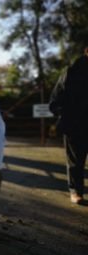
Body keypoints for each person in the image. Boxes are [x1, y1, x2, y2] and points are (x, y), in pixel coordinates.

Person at [49, 47, 88, 205]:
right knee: (75, 162)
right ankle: (76, 191)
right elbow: (55, 101)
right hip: (75, 124)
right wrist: (65, 115)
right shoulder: (72, 72)